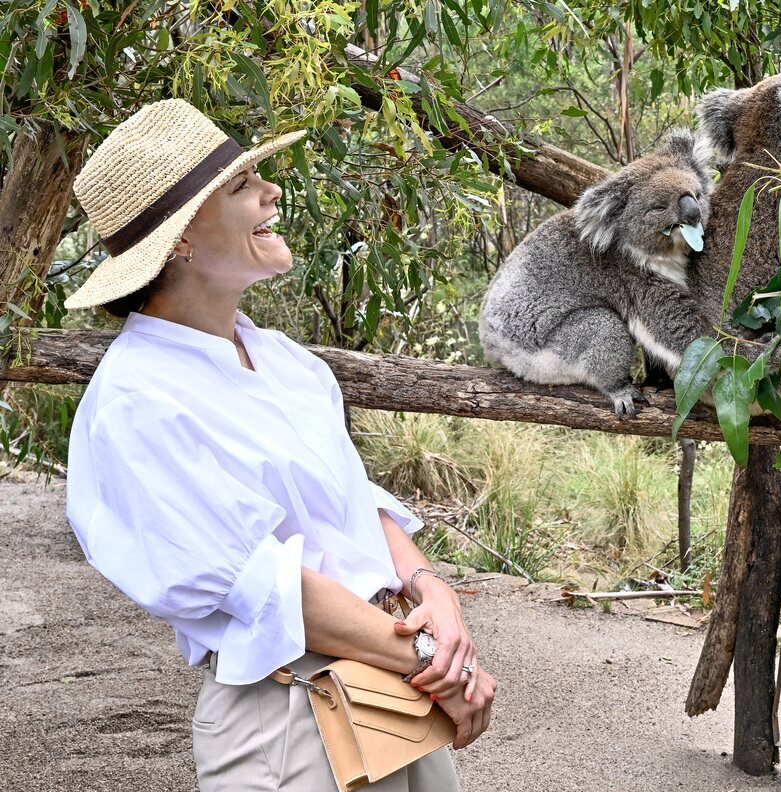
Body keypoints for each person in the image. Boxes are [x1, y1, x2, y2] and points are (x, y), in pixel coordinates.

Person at [63, 99, 495, 791]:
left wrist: (433, 592)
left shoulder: (287, 361)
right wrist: (437, 662)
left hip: (395, 694)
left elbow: (358, 506)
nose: (273, 192)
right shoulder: (137, 401)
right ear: (177, 241)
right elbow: (264, 584)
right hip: (291, 716)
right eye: (241, 186)